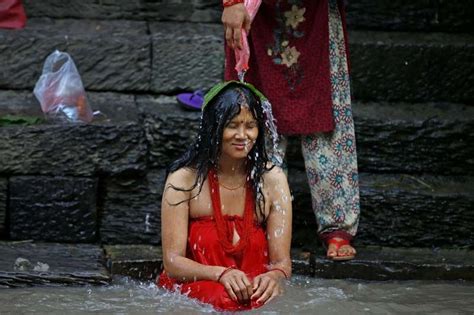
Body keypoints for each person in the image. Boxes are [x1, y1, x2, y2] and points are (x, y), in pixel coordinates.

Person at [222, 0, 359, 260]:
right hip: (255, 14)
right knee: (255, 117)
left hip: (315, 13)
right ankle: (255, 224)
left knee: (326, 111)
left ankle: (337, 225)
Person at [157, 81, 293, 311]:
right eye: (232, 125)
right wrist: (221, 274)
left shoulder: (273, 179)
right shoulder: (184, 179)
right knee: (226, 300)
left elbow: (281, 263)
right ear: (213, 127)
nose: (243, 135)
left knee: (261, 302)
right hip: (199, 287)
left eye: (250, 126)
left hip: (252, 291)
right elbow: (172, 263)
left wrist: (274, 279)